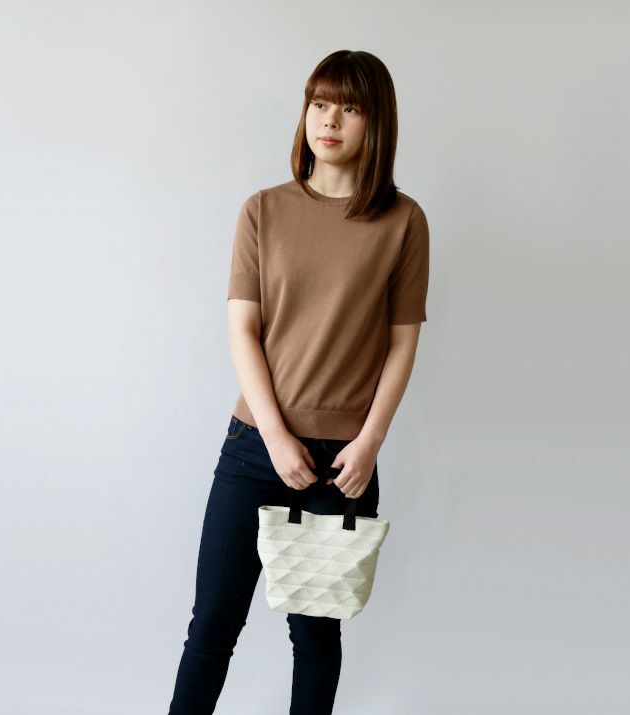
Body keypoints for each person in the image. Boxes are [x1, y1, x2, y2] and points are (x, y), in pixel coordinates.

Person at [167, 49, 430, 715]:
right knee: (212, 626)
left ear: (376, 122)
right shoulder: (262, 210)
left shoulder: (402, 221)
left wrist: (370, 443)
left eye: (349, 107)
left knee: (314, 635)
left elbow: (402, 341)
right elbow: (242, 330)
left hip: (343, 463)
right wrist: (277, 437)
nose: (329, 120)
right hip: (254, 447)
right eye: (318, 103)